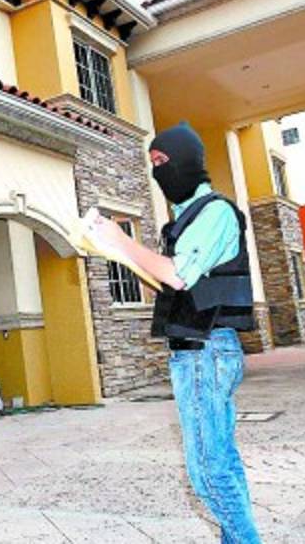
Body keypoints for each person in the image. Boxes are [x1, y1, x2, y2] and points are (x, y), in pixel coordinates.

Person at [93, 122, 261, 543]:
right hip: (196, 352)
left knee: (207, 472)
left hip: (207, 351)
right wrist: (117, 252)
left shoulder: (215, 212)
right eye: (152, 163)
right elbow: (172, 283)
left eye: (163, 160)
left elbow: (178, 275)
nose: (158, 171)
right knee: (221, 462)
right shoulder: (185, 219)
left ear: (187, 158)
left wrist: (121, 239)